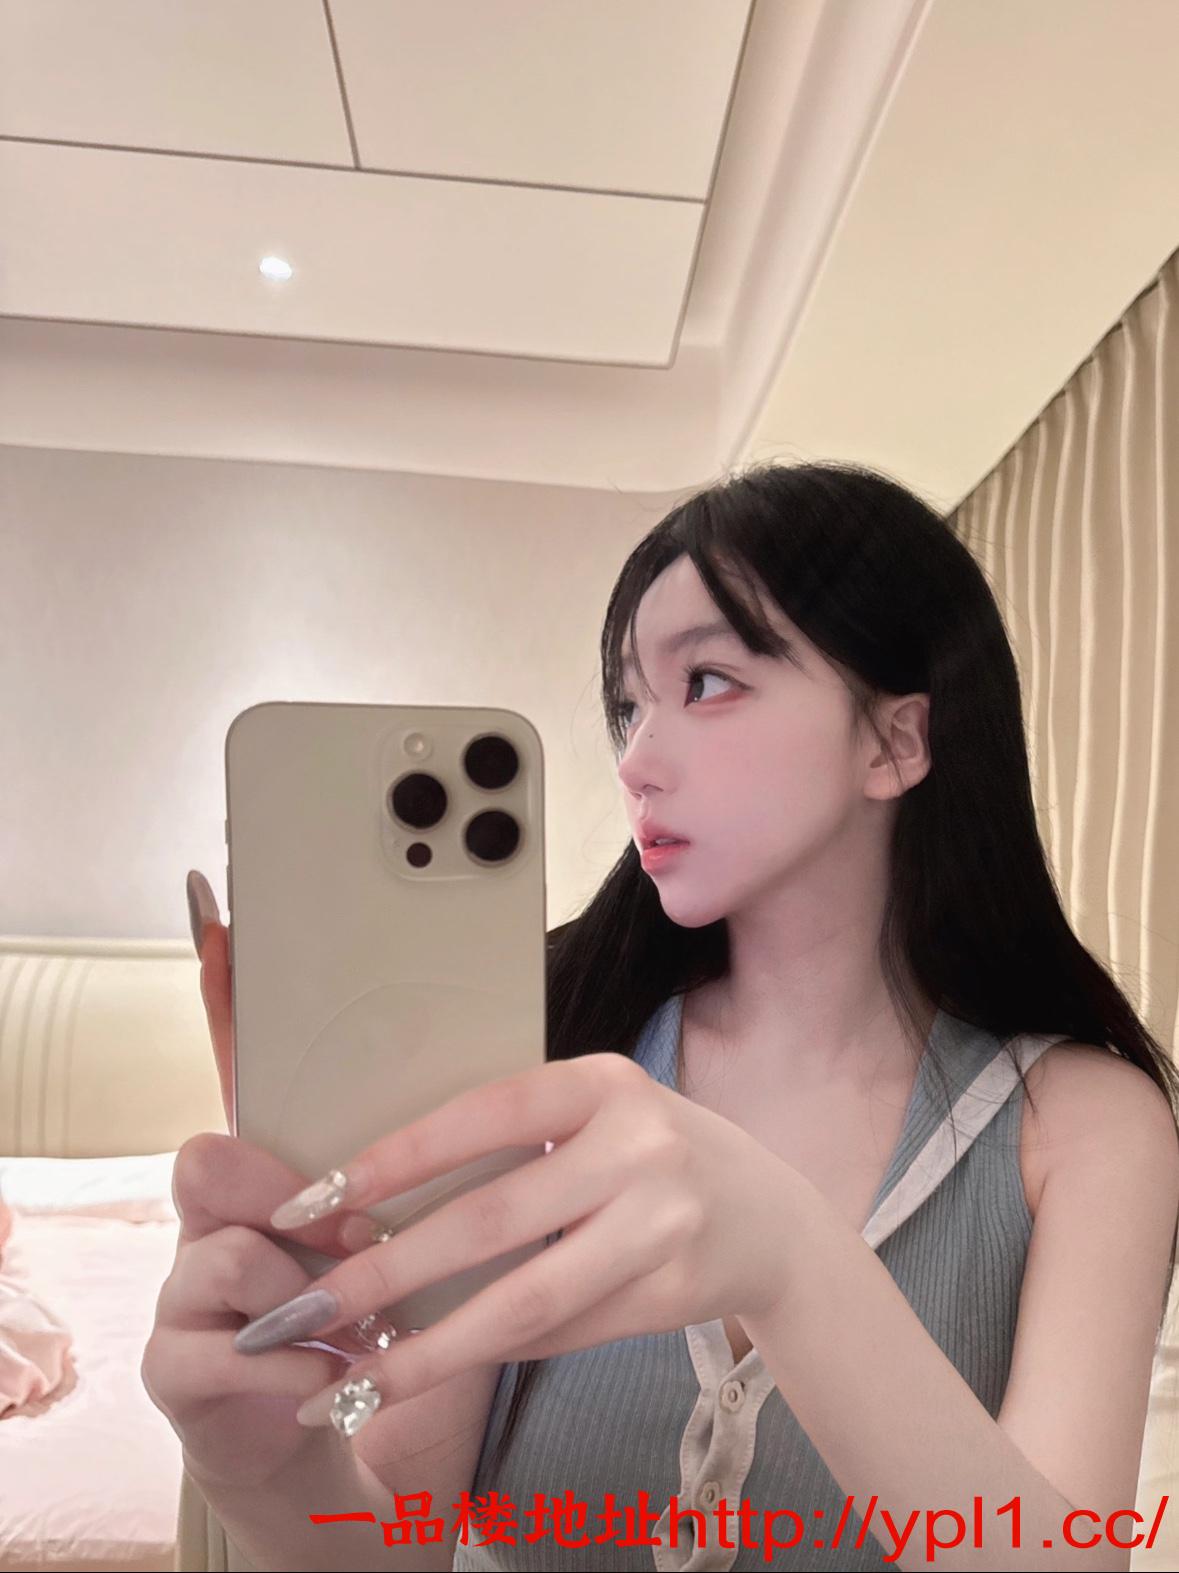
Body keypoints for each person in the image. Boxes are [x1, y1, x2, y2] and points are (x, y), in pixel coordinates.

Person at [146, 460, 1179, 1572]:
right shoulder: (542, 1052)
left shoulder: (1085, 1126)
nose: (636, 761)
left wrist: (787, 1259)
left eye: (709, 682)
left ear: (895, 742)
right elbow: (396, 1547)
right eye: (630, 705)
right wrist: (261, 1471)